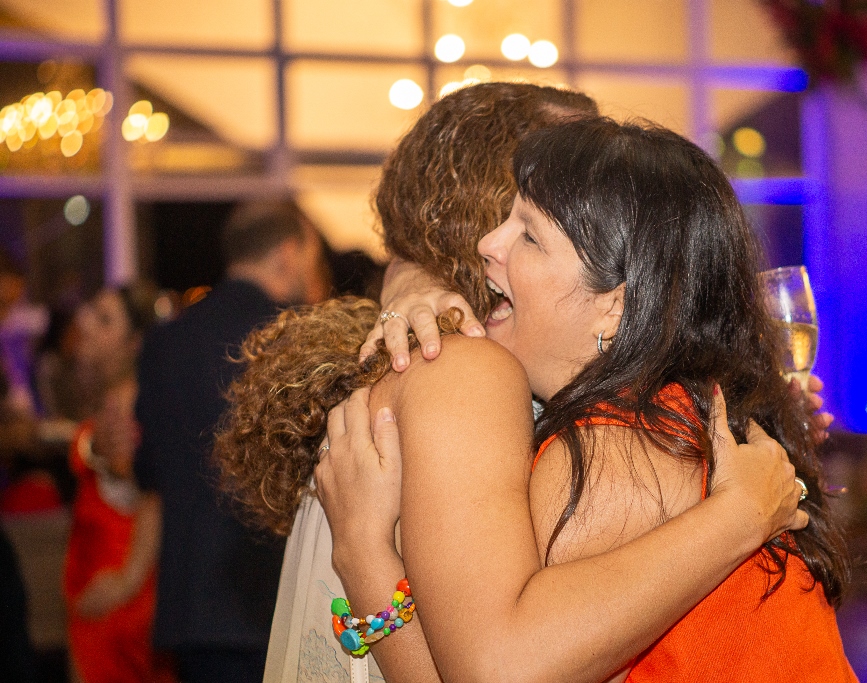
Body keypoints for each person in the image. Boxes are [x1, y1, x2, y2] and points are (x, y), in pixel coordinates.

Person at [216, 84, 832, 683]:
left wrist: (365, 556)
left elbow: (497, 667)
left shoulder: (615, 440)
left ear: (616, 301)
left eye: (530, 231)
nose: (491, 244)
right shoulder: (469, 371)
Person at [133, 201, 323, 682]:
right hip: (271, 600)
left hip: (190, 606)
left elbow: (146, 467)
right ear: (287, 253)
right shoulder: (294, 338)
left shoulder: (165, 342)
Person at [63, 284, 171, 683]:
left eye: (104, 320)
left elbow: (153, 496)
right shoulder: (114, 398)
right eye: (91, 312)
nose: (87, 324)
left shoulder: (129, 404)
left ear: (133, 343)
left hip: (119, 596)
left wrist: (126, 579)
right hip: (102, 580)